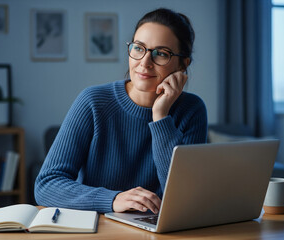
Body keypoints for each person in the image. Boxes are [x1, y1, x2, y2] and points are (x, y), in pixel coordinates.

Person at [35, 8, 207, 214]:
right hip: (100, 229)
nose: (144, 62)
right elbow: (47, 185)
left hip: (159, 231)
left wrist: (161, 116)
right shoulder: (93, 101)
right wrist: (113, 199)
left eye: (161, 53)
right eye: (138, 48)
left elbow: (185, 198)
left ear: (182, 64)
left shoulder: (192, 110)